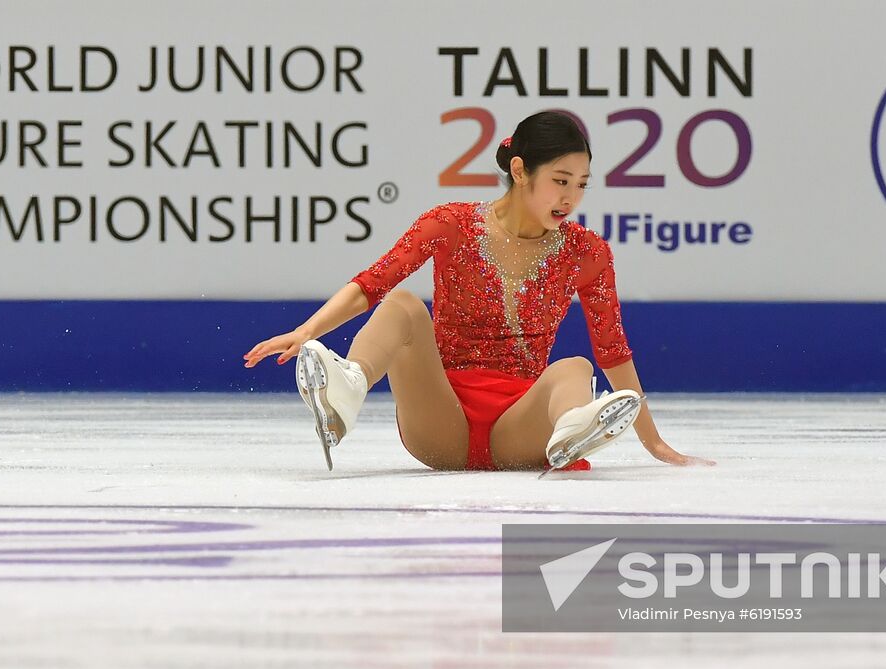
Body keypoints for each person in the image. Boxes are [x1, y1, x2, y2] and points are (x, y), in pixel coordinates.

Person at [243, 111, 715, 474]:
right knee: (403, 304)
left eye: (581, 185)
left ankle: (573, 427)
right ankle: (347, 389)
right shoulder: (451, 224)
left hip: (522, 432)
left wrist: (655, 445)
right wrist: (306, 332)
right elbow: (373, 284)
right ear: (520, 169)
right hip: (440, 420)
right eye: (560, 181)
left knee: (576, 366)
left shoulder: (586, 252)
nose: (570, 198)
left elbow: (613, 351)